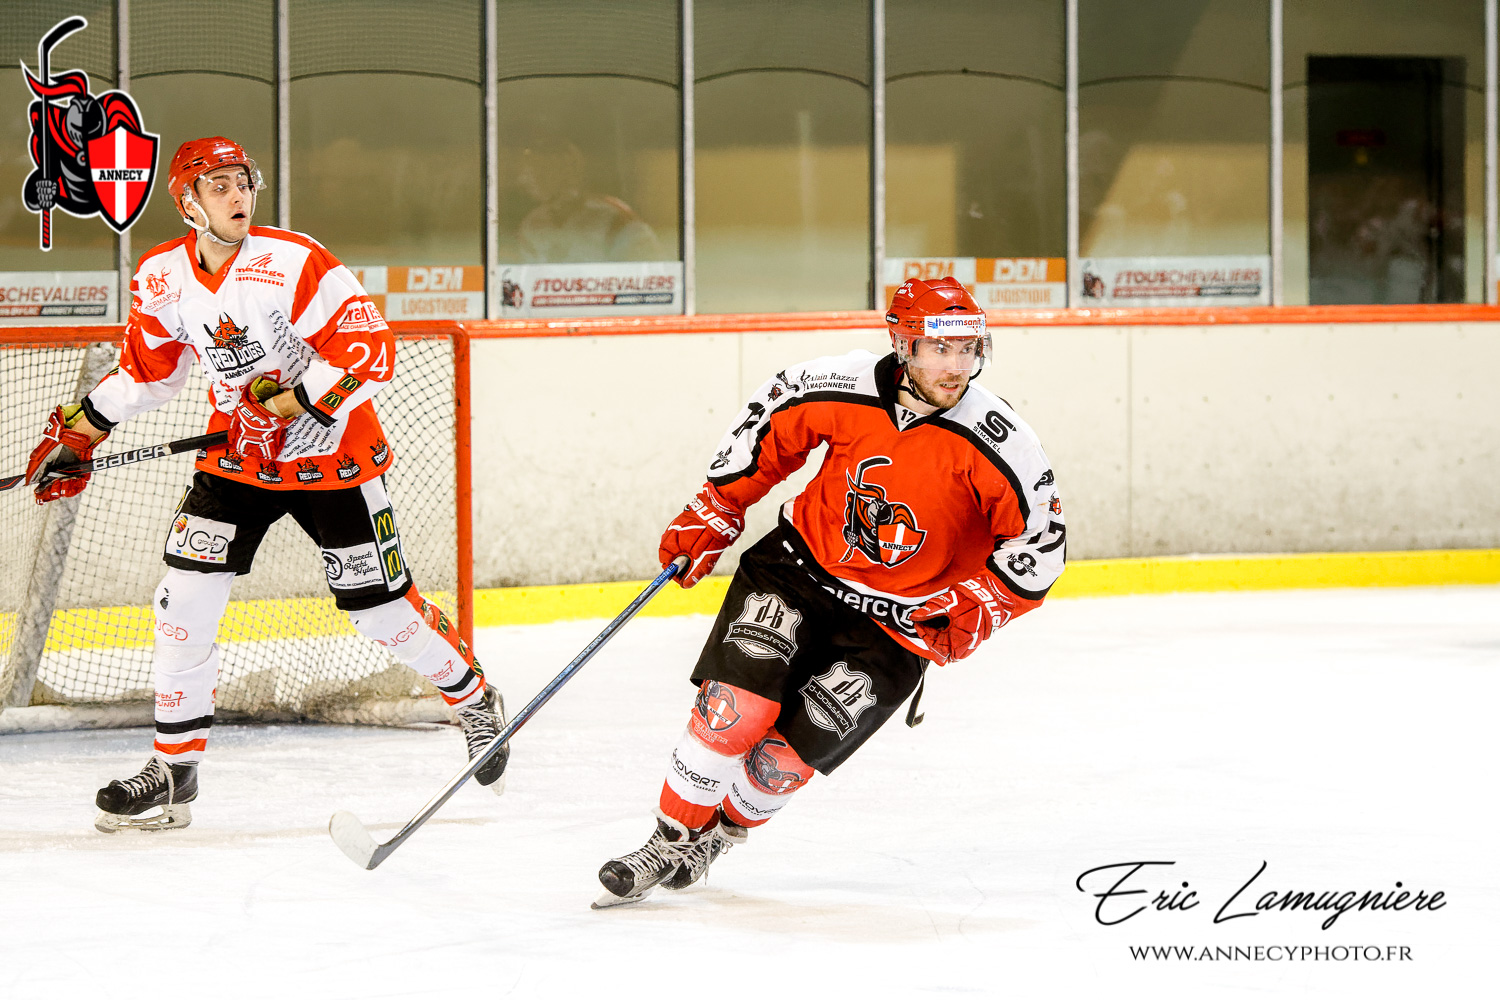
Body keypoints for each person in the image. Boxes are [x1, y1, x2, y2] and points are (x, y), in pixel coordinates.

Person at [24, 137, 508, 833]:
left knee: (379, 612)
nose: (238, 196)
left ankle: (472, 697)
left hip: (331, 457)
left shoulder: (293, 260)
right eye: (218, 185)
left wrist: (288, 403)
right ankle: (174, 767)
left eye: (242, 182)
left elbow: (369, 350)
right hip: (239, 461)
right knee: (183, 601)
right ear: (188, 203)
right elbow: (150, 372)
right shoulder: (163, 276)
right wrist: (83, 429)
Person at [594, 276, 1066, 907]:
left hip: (902, 621)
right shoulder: (837, 382)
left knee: (781, 764)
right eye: (938, 348)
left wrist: (981, 603)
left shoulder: (1001, 440)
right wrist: (718, 505)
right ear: (902, 343)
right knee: (734, 710)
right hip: (798, 572)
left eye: (966, 349)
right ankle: (668, 838)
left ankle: (719, 836)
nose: (954, 366)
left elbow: (1041, 544)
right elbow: (768, 432)